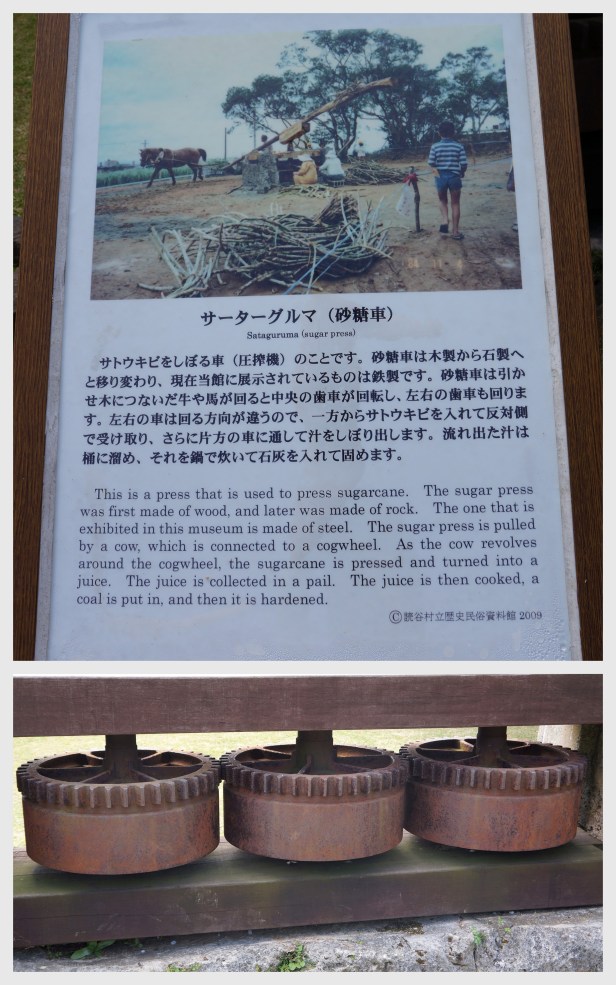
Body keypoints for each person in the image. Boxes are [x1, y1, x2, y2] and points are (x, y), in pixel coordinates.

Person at [427, 121, 468, 240]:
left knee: (442, 200)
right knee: (455, 203)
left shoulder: (435, 146)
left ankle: (445, 220)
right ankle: (455, 232)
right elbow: (464, 163)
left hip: (440, 177)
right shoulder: (458, 146)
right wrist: (462, 172)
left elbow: (431, 163)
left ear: (439, 133)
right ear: (453, 133)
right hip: (454, 177)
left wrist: (437, 175)